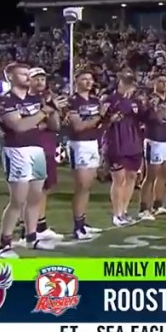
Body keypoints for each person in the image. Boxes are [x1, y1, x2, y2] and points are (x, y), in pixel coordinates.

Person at [0, 62, 57, 257]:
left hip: (36, 149)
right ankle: (4, 244)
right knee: (17, 201)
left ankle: (31, 237)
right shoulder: (4, 100)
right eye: (23, 74)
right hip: (16, 151)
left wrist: (53, 109)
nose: (28, 77)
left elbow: (54, 126)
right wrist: (43, 112)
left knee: (35, 197)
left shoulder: (36, 98)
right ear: (10, 77)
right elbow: (19, 127)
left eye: (28, 74)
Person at [28, 68, 67, 243]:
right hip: (30, 147)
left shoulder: (47, 99)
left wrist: (53, 109)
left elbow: (55, 126)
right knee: (30, 190)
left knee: (44, 187)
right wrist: (43, 118)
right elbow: (27, 126)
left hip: (47, 145)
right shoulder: (24, 100)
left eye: (42, 79)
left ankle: (40, 225)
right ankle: (27, 229)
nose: (40, 82)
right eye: (36, 78)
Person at [65, 69, 104, 240]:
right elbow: (78, 126)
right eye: (84, 79)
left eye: (90, 79)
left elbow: (99, 124)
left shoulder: (95, 100)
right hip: (79, 144)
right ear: (77, 81)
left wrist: (105, 118)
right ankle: (77, 227)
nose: (89, 82)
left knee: (88, 186)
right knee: (81, 186)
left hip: (93, 143)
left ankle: (82, 223)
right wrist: (99, 117)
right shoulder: (72, 101)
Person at [104, 70, 144, 227]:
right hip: (116, 143)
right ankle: (117, 214)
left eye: (131, 83)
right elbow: (104, 120)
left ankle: (124, 211)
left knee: (132, 176)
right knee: (118, 178)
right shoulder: (110, 99)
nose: (129, 86)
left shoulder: (136, 100)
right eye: (126, 82)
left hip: (133, 142)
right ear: (120, 82)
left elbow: (144, 117)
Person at [139, 74, 166, 220]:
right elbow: (156, 117)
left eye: (165, 81)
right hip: (154, 139)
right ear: (154, 83)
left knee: (164, 173)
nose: (163, 84)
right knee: (151, 175)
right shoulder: (150, 99)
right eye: (160, 81)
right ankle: (144, 208)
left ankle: (158, 205)